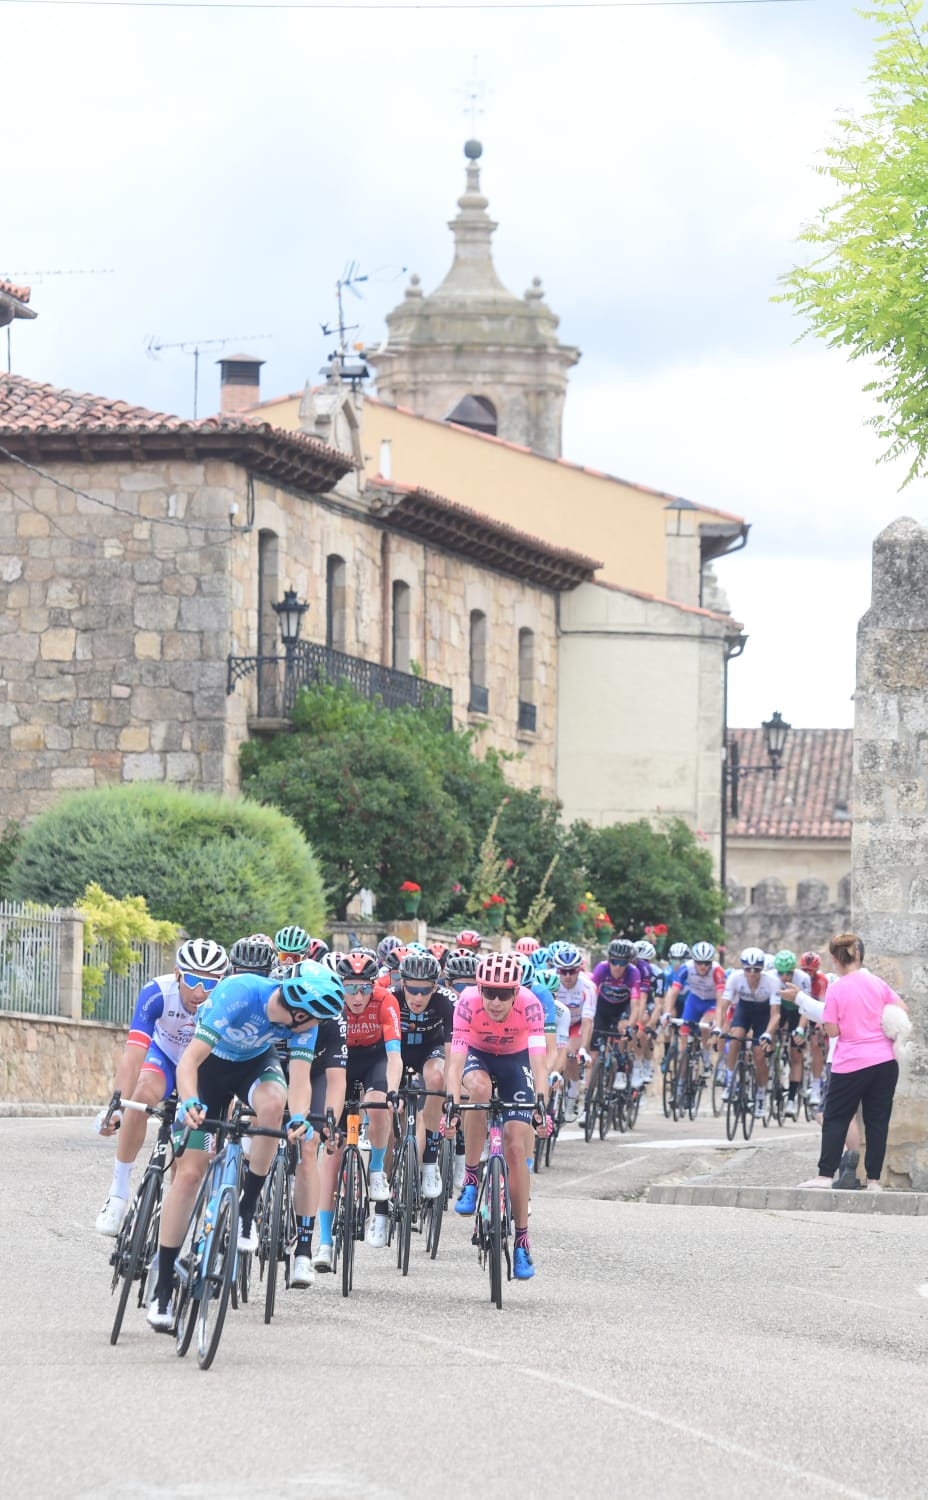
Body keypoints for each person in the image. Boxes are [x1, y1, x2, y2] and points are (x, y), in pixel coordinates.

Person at [146, 960, 344, 1329]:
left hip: (254, 1064)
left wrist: (299, 1115)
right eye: (318, 1018)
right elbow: (189, 1061)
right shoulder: (240, 993)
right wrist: (189, 1101)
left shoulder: (304, 1024)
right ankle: (162, 1291)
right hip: (209, 1070)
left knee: (273, 1104)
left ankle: (247, 1212)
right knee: (189, 1175)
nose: (320, 1025)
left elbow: (300, 1079)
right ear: (301, 1012)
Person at [94, 938, 229, 1236]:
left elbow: (231, 1066)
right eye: (192, 980)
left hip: (201, 1071)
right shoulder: (157, 993)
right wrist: (115, 1107)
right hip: (164, 1058)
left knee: (187, 1162)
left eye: (210, 984)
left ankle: (171, 1219)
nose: (199, 992)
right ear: (178, 973)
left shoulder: (225, 1004)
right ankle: (117, 1193)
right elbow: (132, 1058)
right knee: (142, 1093)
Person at [446, 951, 550, 1280]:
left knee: (515, 1146)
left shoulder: (531, 1005)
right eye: (489, 992)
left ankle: (522, 1241)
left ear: (516, 993)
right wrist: (450, 1103)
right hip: (479, 1056)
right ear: (480, 989)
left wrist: (542, 1106)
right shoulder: (467, 1002)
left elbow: (538, 1063)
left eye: (503, 994)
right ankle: (473, 1178)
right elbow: (456, 1061)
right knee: (477, 1090)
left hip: (515, 1062)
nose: (495, 1001)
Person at [799, 933, 906, 1191]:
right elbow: (901, 1009)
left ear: (835, 960)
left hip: (851, 1063)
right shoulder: (877, 983)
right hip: (884, 1062)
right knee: (877, 1121)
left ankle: (825, 1176)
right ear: (857, 955)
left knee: (836, 1117)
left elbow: (833, 1031)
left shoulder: (837, 989)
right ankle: (874, 1181)